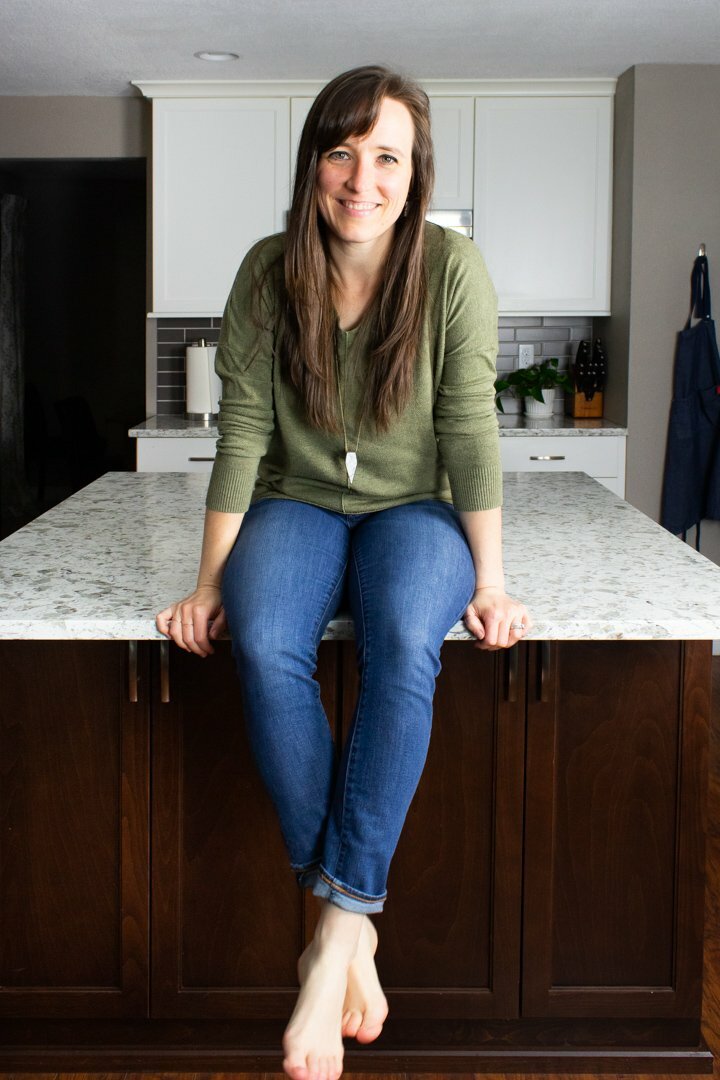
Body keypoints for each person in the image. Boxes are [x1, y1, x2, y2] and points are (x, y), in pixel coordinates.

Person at [157, 64, 532, 1080]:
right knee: (265, 635)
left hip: (415, 511)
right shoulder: (266, 269)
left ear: (415, 175)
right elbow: (240, 432)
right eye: (340, 152)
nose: (360, 178)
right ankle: (348, 928)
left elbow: (467, 429)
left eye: (386, 157)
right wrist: (205, 584)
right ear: (312, 163)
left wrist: (489, 580)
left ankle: (331, 937)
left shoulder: (452, 269)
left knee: (409, 638)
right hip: (295, 499)